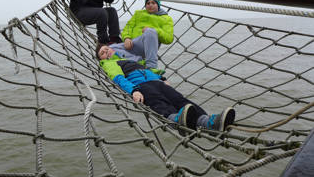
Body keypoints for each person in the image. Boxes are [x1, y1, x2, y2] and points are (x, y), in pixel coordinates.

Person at [96, 44, 236, 134]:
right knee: (159, 103)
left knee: (180, 100)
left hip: (156, 82)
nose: (106, 52)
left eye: (106, 49)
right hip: (141, 86)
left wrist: (162, 79)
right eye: (102, 53)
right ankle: (177, 121)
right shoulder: (109, 64)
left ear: (113, 49)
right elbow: (119, 78)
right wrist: (133, 91)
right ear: (101, 59)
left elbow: (148, 70)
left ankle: (209, 123)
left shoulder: (131, 59)